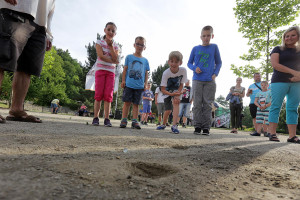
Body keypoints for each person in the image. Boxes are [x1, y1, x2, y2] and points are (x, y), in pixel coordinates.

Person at [0, 0, 55, 123]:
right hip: (16, 8)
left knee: (27, 67)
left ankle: (17, 110)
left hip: (40, 23)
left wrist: (48, 33)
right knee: (2, 57)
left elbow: (51, 6)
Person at [187, 25, 222, 135]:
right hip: (197, 79)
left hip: (210, 80)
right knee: (197, 103)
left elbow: (219, 62)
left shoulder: (214, 47)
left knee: (207, 104)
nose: (206, 38)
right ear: (200, 37)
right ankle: (197, 126)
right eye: (204, 36)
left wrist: (215, 74)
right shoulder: (195, 48)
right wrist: (194, 68)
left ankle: (206, 127)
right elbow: (189, 63)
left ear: (212, 36)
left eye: (208, 35)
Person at [268, 26, 300, 143]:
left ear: (298, 37)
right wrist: (294, 72)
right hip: (279, 81)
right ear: (284, 38)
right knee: (276, 106)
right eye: (287, 36)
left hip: (296, 83)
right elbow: (275, 65)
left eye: (293, 35)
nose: (289, 38)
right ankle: (272, 133)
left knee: (292, 108)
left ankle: (292, 136)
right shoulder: (278, 49)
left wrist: (298, 77)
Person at [91, 22, 119, 127]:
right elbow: (101, 56)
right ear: (104, 30)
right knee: (98, 95)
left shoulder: (116, 46)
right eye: (109, 29)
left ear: (115, 34)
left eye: (113, 31)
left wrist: (111, 47)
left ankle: (107, 118)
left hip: (111, 72)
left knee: (108, 95)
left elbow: (116, 58)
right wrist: (112, 59)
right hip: (100, 70)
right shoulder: (99, 42)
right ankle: (95, 117)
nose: (110, 32)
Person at [120, 36, 149, 129]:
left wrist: (145, 84)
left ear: (144, 47)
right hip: (129, 84)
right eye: (138, 44)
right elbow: (125, 69)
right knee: (127, 102)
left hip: (139, 86)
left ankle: (134, 121)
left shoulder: (145, 61)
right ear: (134, 45)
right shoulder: (129, 57)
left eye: (142, 45)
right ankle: (124, 119)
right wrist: (123, 80)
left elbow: (146, 73)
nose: (139, 46)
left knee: (136, 104)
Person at [156, 51, 187, 134]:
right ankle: (163, 124)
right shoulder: (165, 73)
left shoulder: (183, 70)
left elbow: (181, 84)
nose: (173, 64)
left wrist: (177, 93)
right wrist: (172, 94)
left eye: (176, 62)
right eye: (172, 61)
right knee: (168, 110)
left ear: (180, 63)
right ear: (168, 61)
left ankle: (174, 125)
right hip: (167, 91)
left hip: (177, 90)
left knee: (176, 103)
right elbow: (162, 89)